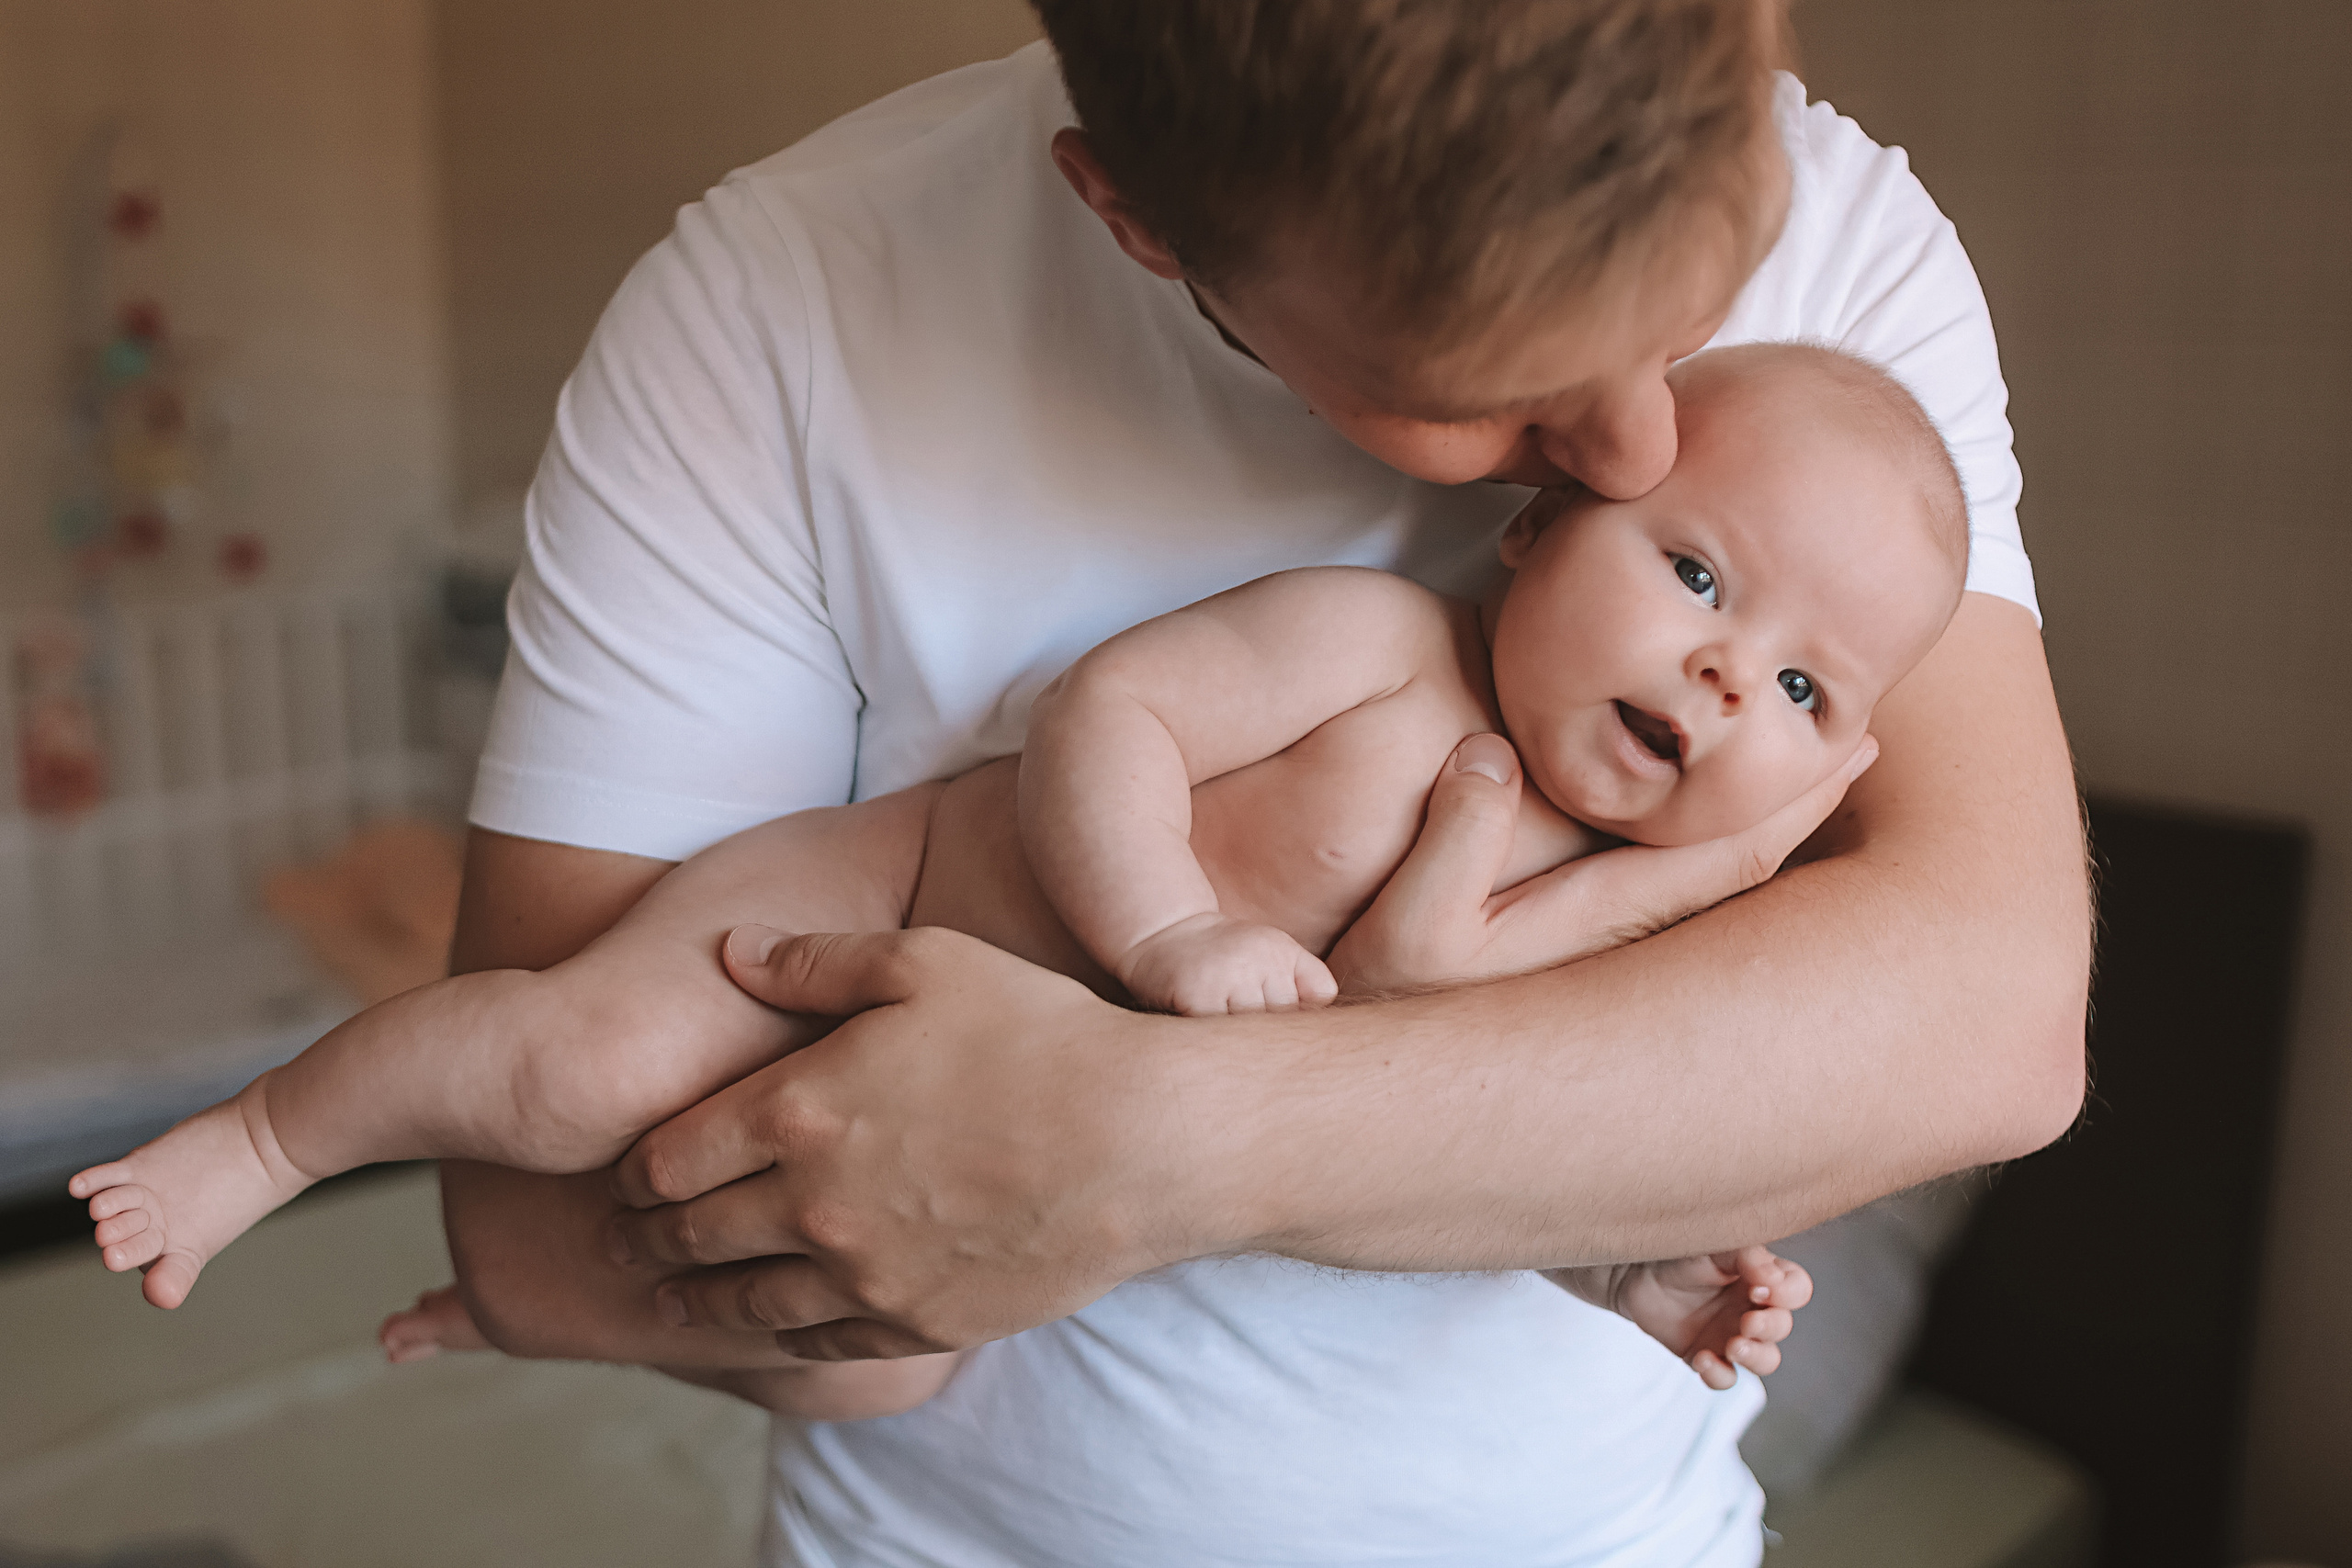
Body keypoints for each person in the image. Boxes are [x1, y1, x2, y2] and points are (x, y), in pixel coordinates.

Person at [379, 5, 2086, 1563]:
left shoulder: (1851, 244)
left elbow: (1989, 1023)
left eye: (1694, 300)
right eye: (1495, 388)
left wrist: (1145, 1145)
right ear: (1133, 213)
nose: (1642, 449)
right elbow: (535, 1238)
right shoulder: (776, 320)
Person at [75, 340, 1947, 1406]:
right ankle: (272, 1137)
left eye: (1797, 683)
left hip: (955, 1139)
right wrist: (1167, 924)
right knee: (574, 1074)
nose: (1721, 669)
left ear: (1825, 771)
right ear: (1536, 528)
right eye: (1696, 575)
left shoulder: (1620, 908)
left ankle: (537, 1307)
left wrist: (1617, 1264)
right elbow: (1104, 715)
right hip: (866, 907)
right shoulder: (1380, 641)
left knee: (876, 1356)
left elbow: (1463, 1123)